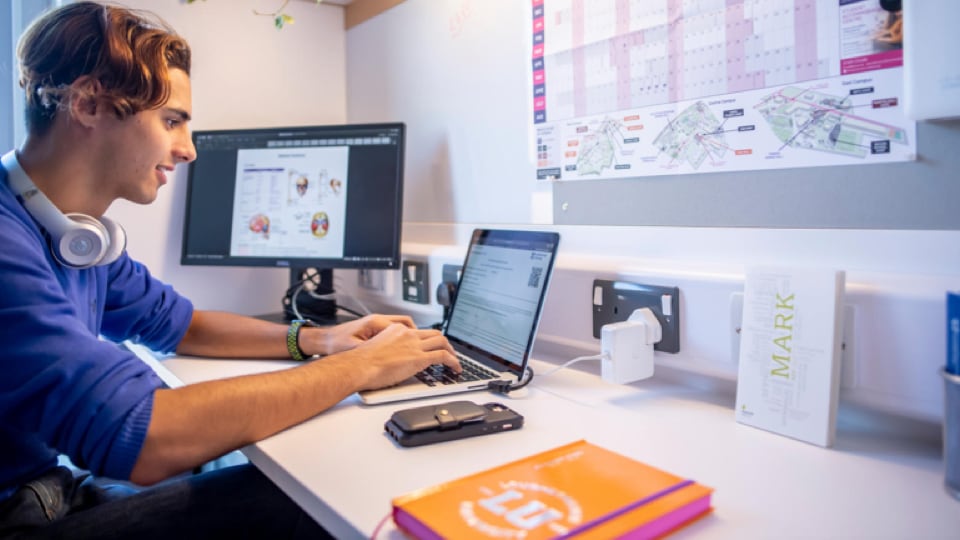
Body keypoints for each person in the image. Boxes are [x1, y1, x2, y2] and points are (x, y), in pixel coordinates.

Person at [0, 2, 460, 538]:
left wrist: (324, 340)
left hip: (49, 488)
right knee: (302, 500)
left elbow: (185, 325)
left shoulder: (75, 237)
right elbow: (142, 438)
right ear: (87, 104)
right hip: (17, 517)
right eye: (171, 121)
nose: (188, 150)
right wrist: (361, 369)